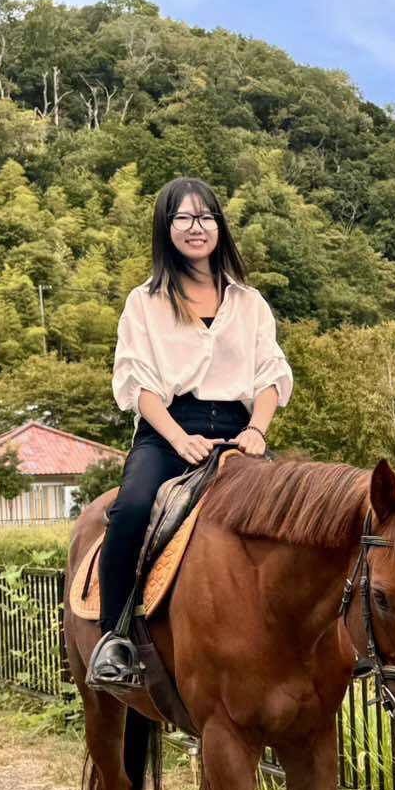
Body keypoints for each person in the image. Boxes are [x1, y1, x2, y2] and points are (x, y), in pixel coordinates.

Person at [86, 177, 293, 690]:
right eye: (183, 217)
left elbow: (271, 375)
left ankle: (306, 640)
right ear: (166, 227)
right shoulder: (145, 302)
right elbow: (137, 384)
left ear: (219, 226)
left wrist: (257, 431)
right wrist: (179, 439)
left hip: (240, 433)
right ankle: (114, 638)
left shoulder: (249, 302)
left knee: (293, 519)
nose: (196, 227)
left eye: (205, 217)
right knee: (132, 509)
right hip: (166, 432)